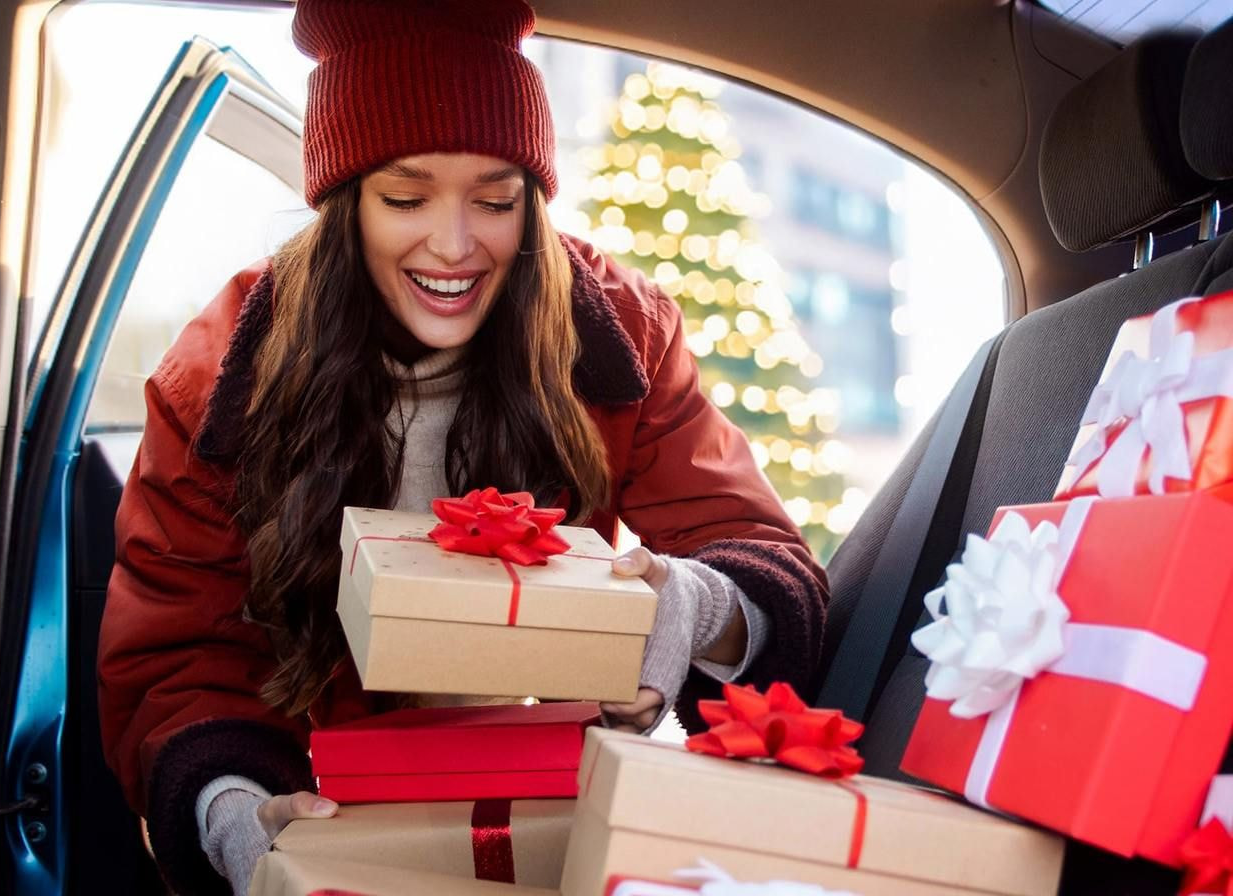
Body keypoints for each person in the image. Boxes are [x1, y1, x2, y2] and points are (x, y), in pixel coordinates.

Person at [97, 1, 829, 893]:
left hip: (556, 810)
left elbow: (758, 552)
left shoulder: (622, 334)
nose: (455, 245)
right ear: (344, 202)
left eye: (495, 200)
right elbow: (174, 657)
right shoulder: (219, 377)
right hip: (332, 818)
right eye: (406, 198)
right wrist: (233, 812)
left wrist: (698, 606)